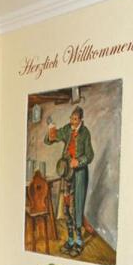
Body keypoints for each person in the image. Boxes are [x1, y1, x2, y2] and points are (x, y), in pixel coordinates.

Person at [44, 106, 94, 254]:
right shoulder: (67, 129)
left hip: (79, 175)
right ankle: (70, 239)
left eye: (75, 119)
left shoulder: (85, 133)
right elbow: (51, 139)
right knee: (66, 207)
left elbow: (90, 155)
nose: (72, 121)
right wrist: (51, 133)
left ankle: (79, 242)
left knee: (76, 208)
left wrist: (78, 161)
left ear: (80, 120)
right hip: (67, 174)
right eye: (71, 118)